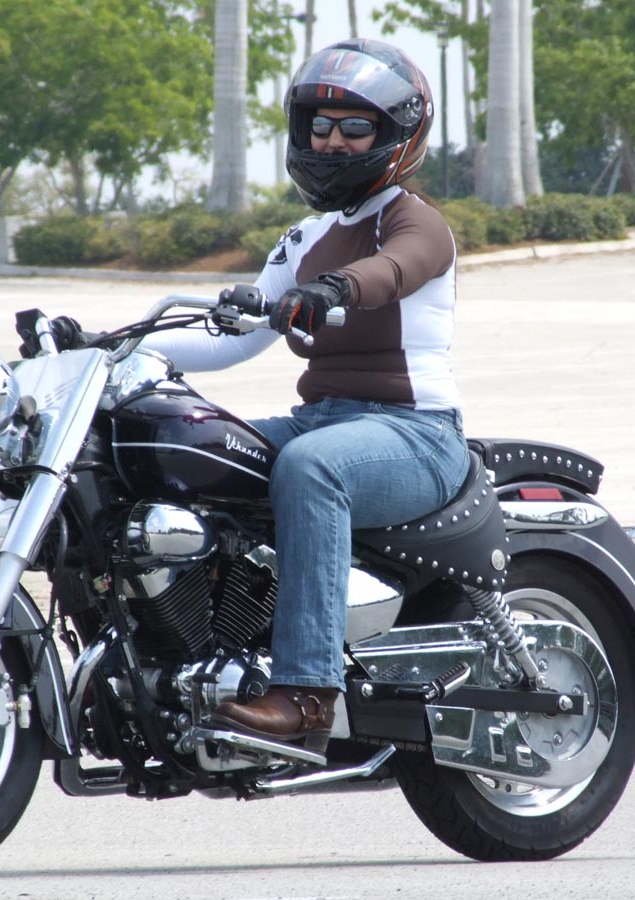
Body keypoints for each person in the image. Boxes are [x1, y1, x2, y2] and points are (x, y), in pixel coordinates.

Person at [143, 38, 469, 755]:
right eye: (320, 125)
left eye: (354, 126)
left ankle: (308, 695)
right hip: (322, 421)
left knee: (311, 468)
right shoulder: (306, 236)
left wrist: (334, 289)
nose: (332, 141)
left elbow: (394, 270)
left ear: (396, 135)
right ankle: (192, 654)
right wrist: (122, 348)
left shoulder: (412, 220)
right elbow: (231, 339)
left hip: (415, 433)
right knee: (181, 444)